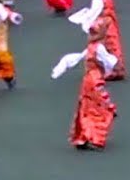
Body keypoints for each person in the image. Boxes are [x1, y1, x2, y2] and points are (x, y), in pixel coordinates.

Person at [51, 19, 120, 151]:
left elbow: (76, 58)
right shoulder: (98, 48)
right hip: (95, 79)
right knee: (98, 109)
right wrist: (113, 67)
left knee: (86, 108)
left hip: (87, 80)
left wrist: (63, 66)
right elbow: (110, 62)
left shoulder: (91, 48)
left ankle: (82, 136)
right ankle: (94, 137)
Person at [68, 0, 126, 81]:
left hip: (103, 25)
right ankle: (115, 69)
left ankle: (111, 69)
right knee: (112, 45)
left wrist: (85, 23)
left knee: (103, 47)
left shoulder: (98, 0)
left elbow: (93, 14)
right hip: (110, 24)